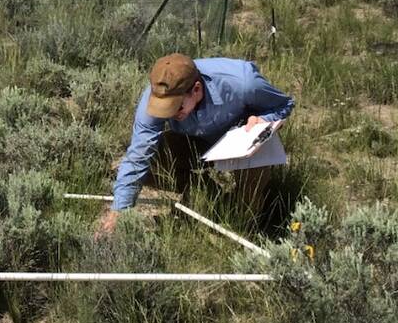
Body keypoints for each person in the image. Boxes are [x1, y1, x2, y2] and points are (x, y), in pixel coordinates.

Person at [96, 54, 294, 236]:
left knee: (245, 207)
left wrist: (263, 119)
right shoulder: (156, 96)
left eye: (177, 107)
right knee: (150, 162)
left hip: (242, 141)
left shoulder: (243, 83)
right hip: (196, 141)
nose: (170, 114)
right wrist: (119, 211)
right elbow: (139, 154)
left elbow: (283, 105)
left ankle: (236, 219)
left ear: (196, 90)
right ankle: (205, 194)